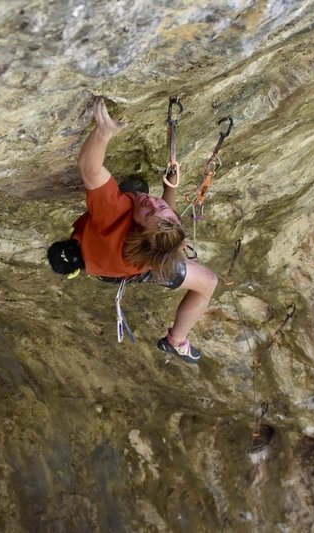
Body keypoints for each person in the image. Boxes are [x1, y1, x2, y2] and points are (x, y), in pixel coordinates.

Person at [48, 97, 218, 364]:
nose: (152, 202)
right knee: (208, 283)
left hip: (110, 258)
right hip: (113, 264)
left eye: (150, 211)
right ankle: (177, 341)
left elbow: (89, 168)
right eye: (159, 206)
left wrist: (103, 133)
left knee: (135, 190)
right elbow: (163, 223)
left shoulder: (114, 215)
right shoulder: (153, 240)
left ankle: (176, 344)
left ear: (138, 227)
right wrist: (169, 189)